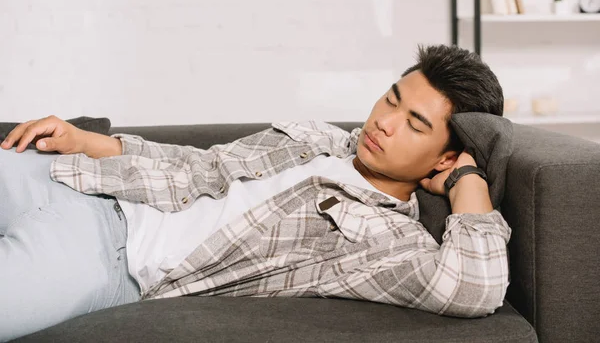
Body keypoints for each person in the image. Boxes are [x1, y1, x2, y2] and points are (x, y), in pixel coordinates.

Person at [0, 44, 511, 341]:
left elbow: (473, 287)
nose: (385, 122)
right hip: (78, 181)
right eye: (391, 100)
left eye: (414, 124)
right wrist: (89, 141)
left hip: (105, 261)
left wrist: (468, 182)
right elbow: (201, 166)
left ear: (445, 156)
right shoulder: (317, 136)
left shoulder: (390, 240)